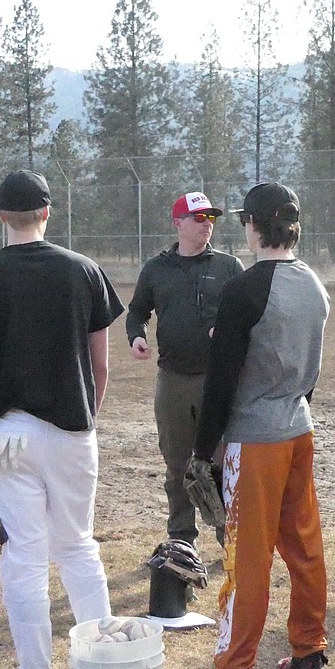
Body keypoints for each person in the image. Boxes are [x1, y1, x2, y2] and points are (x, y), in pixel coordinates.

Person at [0, 170, 125, 669]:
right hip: (72, 427)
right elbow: (101, 367)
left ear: (1, 216)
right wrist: (85, 421)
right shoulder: (85, 271)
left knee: (23, 554)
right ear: (48, 213)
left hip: (8, 435)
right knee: (78, 549)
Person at [187, 182, 331, 669]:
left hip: (255, 437)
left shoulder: (247, 289)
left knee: (247, 559)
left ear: (252, 225)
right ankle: (310, 654)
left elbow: (221, 380)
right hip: (298, 424)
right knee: (304, 546)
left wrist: (203, 451)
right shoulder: (314, 283)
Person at [126, 191, 244, 549]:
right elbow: (137, 312)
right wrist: (136, 337)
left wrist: (228, 328)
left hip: (218, 381)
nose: (206, 225)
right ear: (178, 223)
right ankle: (181, 540)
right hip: (173, 379)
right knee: (178, 467)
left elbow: (247, 314)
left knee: (223, 465)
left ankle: (230, 538)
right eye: (198, 218)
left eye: (210, 218)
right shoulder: (156, 269)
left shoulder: (229, 267)